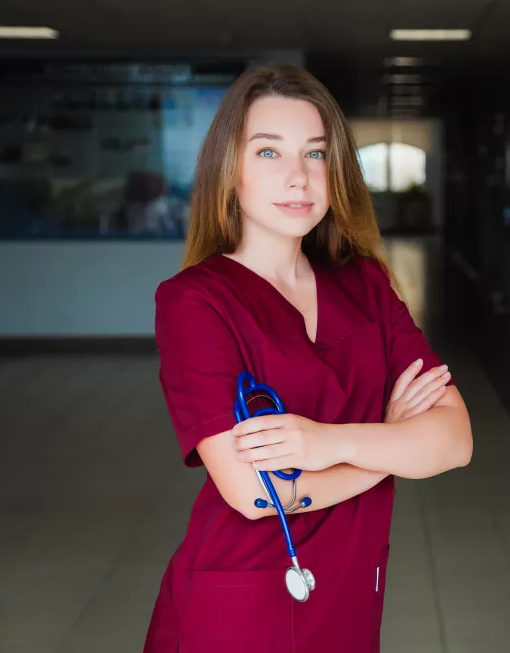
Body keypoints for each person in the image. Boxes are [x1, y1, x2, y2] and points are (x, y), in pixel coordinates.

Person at [143, 62, 474, 653]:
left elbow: (454, 442)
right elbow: (253, 493)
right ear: (230, 169)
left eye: (315, 153)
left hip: (351, 592)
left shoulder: (365, 285)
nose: (298, 177)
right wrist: (388, 444)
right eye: (269, 152)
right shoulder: (194, 301)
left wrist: (327, 443)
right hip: (240, 607)